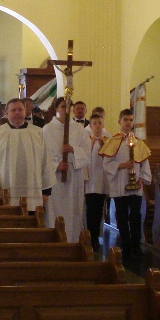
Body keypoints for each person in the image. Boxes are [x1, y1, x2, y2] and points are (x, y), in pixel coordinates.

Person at [0, 98, 55, 212]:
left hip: (33, 194)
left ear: (25, 111)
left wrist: (46, 191)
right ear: (7, 113)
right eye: (13, 110)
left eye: (20, 109)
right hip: (5, 192)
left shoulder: (38, 132)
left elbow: (46, 161)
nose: (17, 113)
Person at [99, 108, 152, 259]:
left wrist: (142, 178)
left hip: (136, 186)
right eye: (125, 120)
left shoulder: (139, 142)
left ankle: (136, 245)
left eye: (130, 120)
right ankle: (125, 245)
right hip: (119, 184)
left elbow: (145, 164)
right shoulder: (112, 142)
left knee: (135, 215)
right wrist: (123, 165)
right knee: (121, 215)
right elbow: (106, 164)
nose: (128, 122)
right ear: (119, 121)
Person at [42, 97, 89, 242]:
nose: (66, 110)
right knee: (55, 210)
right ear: (56, 109)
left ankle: (73, 241)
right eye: (63, 107)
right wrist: (56, 165)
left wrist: (73, 150)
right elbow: (43, 155)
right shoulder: (47, 129)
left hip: (73, 174)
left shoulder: (79, 129)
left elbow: (87, 153)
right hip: (54, 177)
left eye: (69, 107)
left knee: (73, 210)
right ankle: (55, 241)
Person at [83, 112, 109, 251]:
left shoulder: (108, 141)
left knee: (99, 210)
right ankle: (90, 236)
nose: (98, 126)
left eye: (100, 123)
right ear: (90, 126)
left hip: (102, 181)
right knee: (90, 210)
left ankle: (96, 237)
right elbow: (84, 159)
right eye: (95, 123)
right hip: (90, 181)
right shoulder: (86, 140)